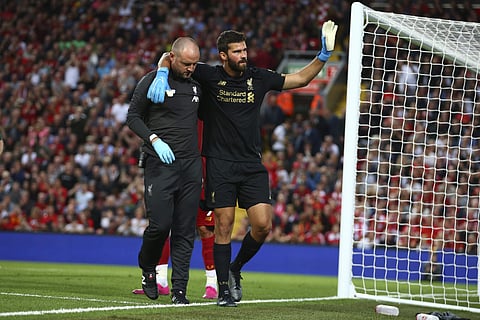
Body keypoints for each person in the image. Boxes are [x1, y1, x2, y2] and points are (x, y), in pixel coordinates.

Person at [148, 21, 338, 307]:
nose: (244, 55)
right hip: (219, 164)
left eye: (245, 50)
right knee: (223, 226)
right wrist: (162, 72)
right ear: (223, 55)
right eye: (237, 51)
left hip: (251, 165)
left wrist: (323, 56)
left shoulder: (258, 78)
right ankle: (224, 290)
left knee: (262, 225)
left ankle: (235, 268)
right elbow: (170, 56)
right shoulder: (208, 75)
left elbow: (299, 80)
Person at [126, 37, 202, 305]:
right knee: (160, 227)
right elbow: (132, 116)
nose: (191, 68)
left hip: (191, 166)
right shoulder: (152, 81)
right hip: (160, 164)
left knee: (184, 231)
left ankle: (180, 291)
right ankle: (148, 269)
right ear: (172, 57)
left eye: (194, 64)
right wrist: (154, 140)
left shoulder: (197, 84)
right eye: (186, 63)